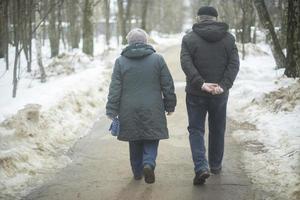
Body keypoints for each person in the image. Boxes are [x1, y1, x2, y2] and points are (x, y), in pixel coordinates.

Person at [106, 28, 177, 184]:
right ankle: (149, 163)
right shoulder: (158, 59)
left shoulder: (120, 61)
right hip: (153, 107)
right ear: (146, 41)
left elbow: (115, 88)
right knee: (152, 137)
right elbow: (168, 85)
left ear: (129, 42)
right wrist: (170, 105)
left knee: (134, 139)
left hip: (128, 108)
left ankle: (137, 172)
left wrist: (111, 109)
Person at [180, 6, 240, 185]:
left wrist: (201, 83)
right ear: (216, 18)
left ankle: (201, 167)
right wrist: (223, 85)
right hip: (220, 94)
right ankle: (215, 166)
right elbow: (234, 64)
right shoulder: (229, 39)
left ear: (199, 18)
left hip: (196, 92)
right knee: (218, 128)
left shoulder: (189, 38)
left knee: (196, 129)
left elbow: (186, 63)